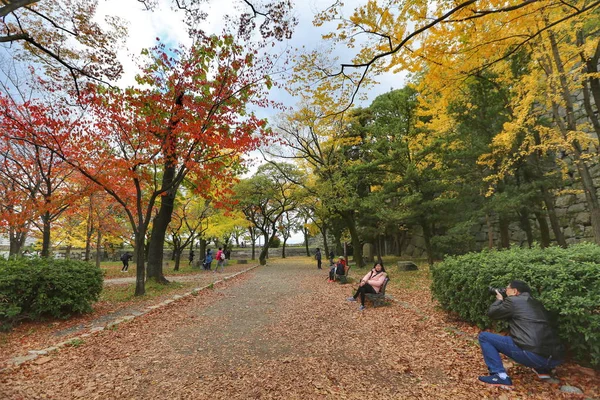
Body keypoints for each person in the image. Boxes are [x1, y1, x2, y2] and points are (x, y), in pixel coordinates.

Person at [477, 280, 564, 387]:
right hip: (555, 359)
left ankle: (500, 375)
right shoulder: (537, 303)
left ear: (514, 291)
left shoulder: (513, 301)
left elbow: (492, 313)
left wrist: (499, 300)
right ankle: (543, 371)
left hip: (532, 356)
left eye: (507, 288)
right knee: (531, 339)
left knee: (484, 337)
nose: (505, 291)